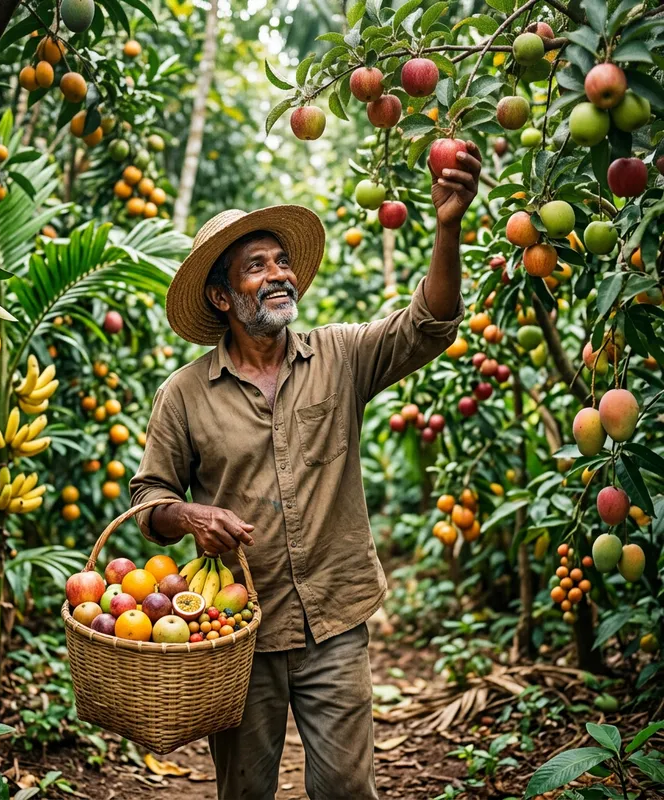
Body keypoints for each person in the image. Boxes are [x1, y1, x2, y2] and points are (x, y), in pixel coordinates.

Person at [130, 141, 482, 799]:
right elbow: (151, 500)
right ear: (222, 297)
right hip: (236, 631)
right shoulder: (184, 393)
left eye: (283, 261)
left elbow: (429, 325)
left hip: (335, 620)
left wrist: (448, 225)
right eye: (257, 266)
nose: (279, 274)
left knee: (348, 791)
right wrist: (191, 516)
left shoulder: (341, 356)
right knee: (246, 791)